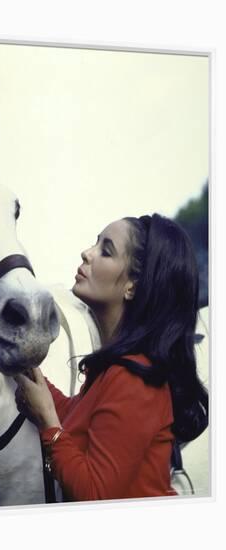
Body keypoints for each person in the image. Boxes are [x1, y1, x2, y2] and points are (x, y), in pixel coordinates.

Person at [14, 213, 208, 501]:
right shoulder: (116, 369)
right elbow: (75, 418)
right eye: (95, 243)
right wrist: (22, 366)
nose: (87, 253)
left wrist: (48, 424)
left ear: (133, 286)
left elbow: (96, 496)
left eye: (106, 251)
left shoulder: (135, 378)